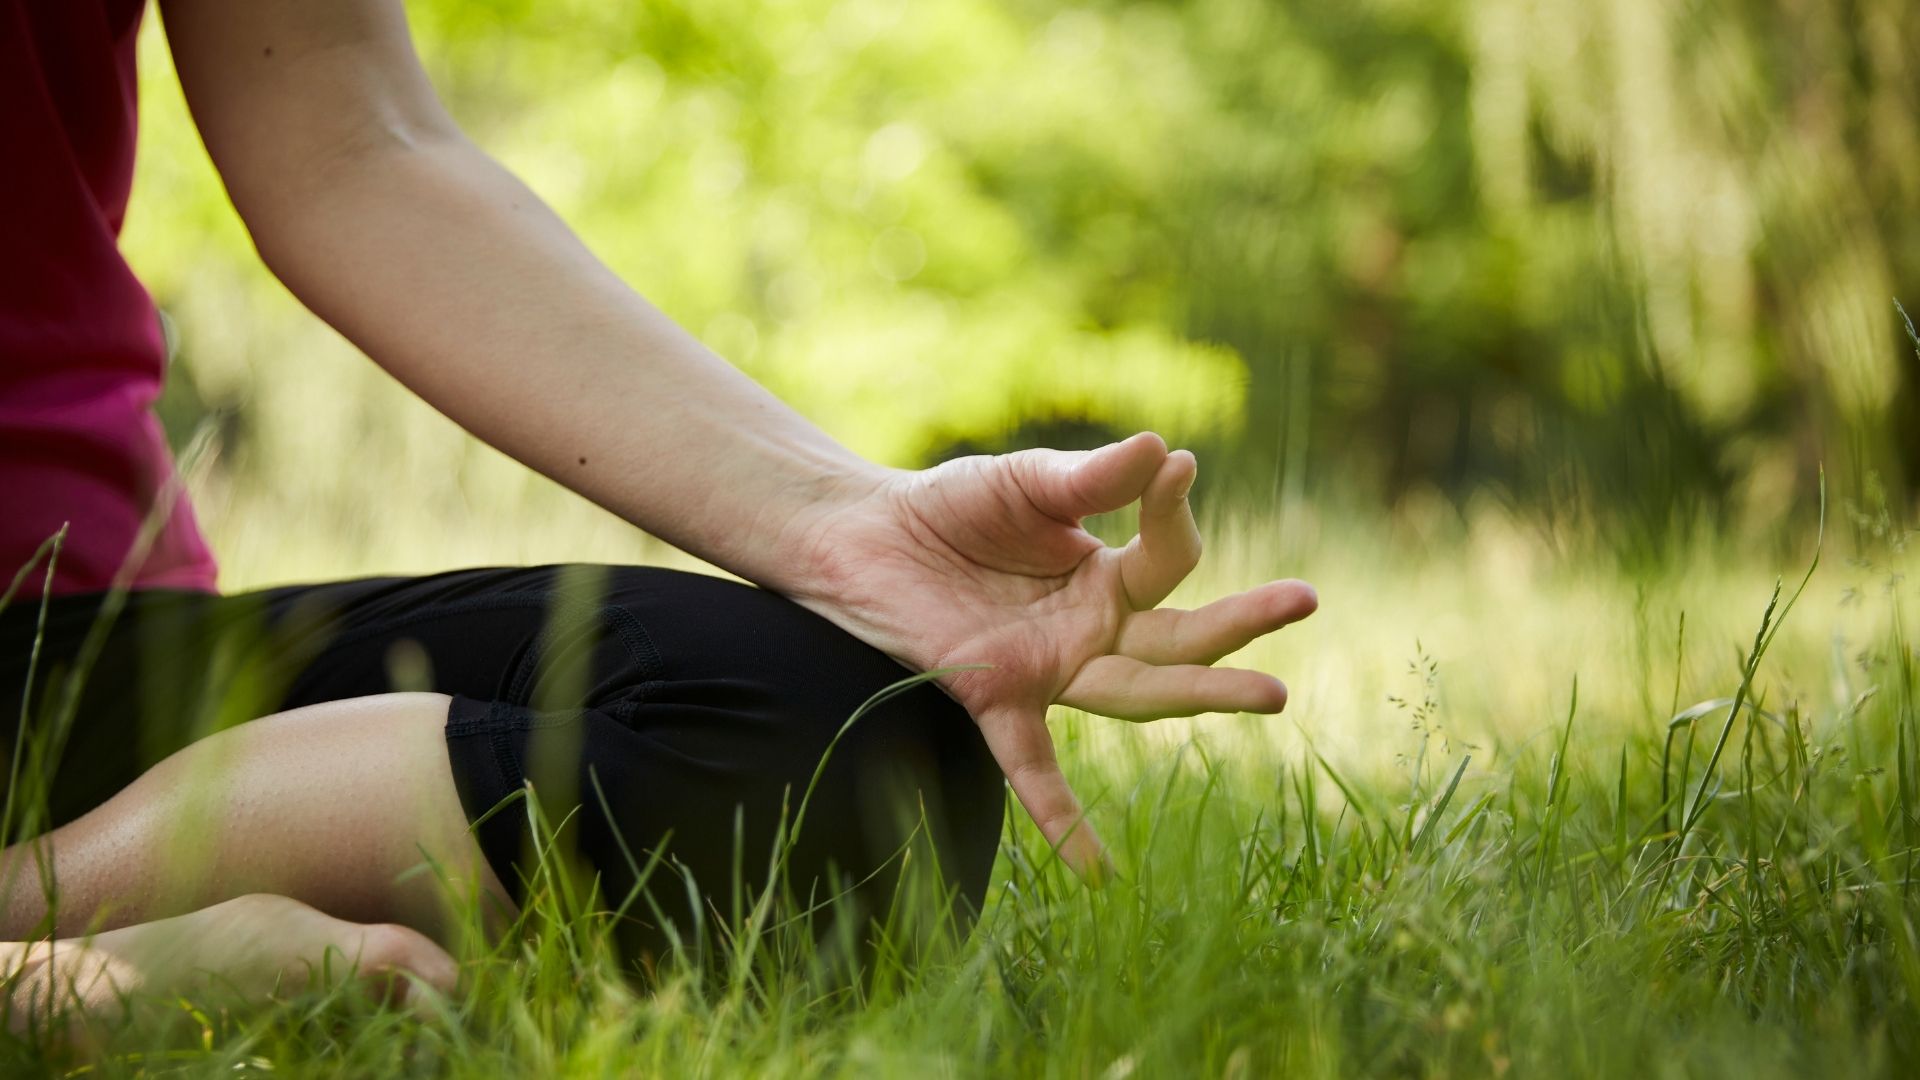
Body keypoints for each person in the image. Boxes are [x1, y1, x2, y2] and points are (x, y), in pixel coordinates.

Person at [0, 0, 1318, 1022]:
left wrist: (847, 525)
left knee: (854, 760)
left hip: (64, 647)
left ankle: (48, 897)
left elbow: (356, 146)